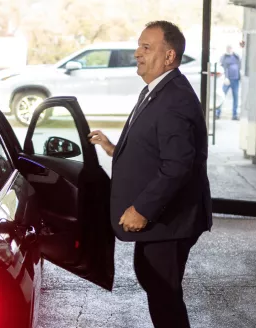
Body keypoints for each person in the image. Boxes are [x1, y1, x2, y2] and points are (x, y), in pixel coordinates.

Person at [88, 21, 212, 328]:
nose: (136, 53)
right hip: (162, 222)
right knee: (155, 286)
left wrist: (143, 209)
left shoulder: (175, 99)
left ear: (169, 56)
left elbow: (178, 165)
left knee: (165, 296)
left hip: (170, 222)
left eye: (146, 47)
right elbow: (156, 149)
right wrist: (113, 148)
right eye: (138, 46)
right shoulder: (158, 91)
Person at [217, 45, 241, 120]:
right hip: (227, 79)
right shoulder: (224, 57)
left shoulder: (236, 56)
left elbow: (240, 64)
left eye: (231, 48)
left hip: (235, 79)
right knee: (222, 96)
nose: (230, 50)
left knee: (235, 97)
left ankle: (234, 114)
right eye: (228, 48)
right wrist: (225, 77)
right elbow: (222, 66)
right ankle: (217, 113)